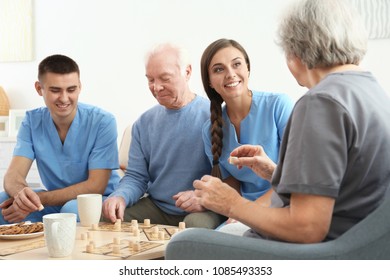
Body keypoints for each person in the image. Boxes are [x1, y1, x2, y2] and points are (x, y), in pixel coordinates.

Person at [193, 0, 390, 243]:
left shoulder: (320, 103)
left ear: (296, 52)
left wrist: (232, 204)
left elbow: (306, 228)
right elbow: (343, 186)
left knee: (185, 245)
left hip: (321, 252)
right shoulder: (371, 89)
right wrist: (277, 173)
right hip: (360, 243)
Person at [102, 42, 224, 229]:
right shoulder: (144, 123)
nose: (156, 87)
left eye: (165, 78)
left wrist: (203, 197)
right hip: (158, 207)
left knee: (194, 230)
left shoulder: (214, 116)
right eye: (150, 79)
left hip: (202, 208)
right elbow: (136, 176)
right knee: (110, 218)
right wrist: (120, 196)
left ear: (187, 72)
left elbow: (228, 178)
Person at [0, 54, 121, 224]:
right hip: (54, 202)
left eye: (71, 90)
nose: (64, 98)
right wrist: (22, 196)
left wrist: (40, 198)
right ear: (39, 88)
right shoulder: (31, 121)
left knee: (70, 211)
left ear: (80, 87)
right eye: (55, 90)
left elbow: (96, 185)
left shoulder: (103, 121)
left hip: (98, 200)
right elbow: (13, 176)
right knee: (3, 203)